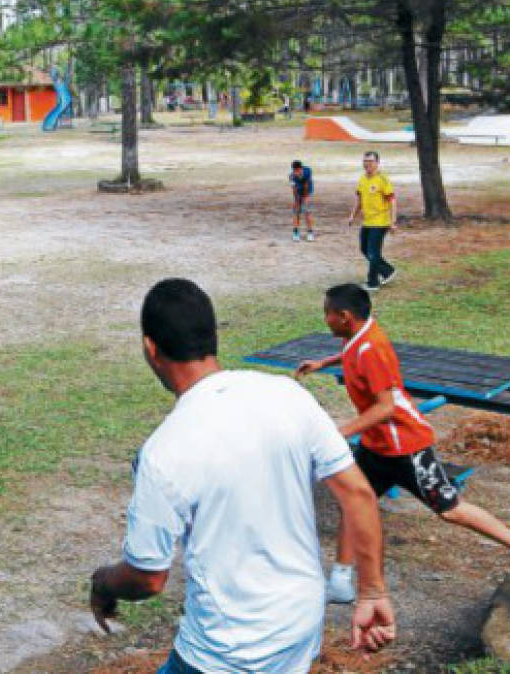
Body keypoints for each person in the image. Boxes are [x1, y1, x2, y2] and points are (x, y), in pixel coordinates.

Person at [89, 278, 396, 673]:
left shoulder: (164, 451)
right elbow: (358, 494)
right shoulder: (288, 396)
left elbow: (148, 579)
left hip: (228, 649)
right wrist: (370, 592)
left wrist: (103, 583)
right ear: (211, 337)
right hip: (300, 623)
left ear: (151, 348)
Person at [295, 284, 510, 606]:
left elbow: (385, 407)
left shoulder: (371, 348)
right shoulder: (359, 336)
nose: (326, 319)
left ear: (344, 317)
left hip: (406, 448)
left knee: (451, 510)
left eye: (328, 314)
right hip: (378, 447)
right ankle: (340, 583)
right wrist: (325, 362)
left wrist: (340, 432)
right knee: (353, 502)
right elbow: (353, 354)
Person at [348, 151, 397, 292]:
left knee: (373, 252)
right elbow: (359, 201)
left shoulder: (382, 180)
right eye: (365, 161)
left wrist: (393, 222)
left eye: (370, 161)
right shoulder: (362, 179)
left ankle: (373, 282)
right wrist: (353, 215)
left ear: (377, 163)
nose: (367, 164)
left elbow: (392, 201)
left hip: (380, 222)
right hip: (367, 222)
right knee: (364, 249)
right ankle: (387, 270)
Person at [290, 159, 315, 242]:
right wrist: (297, 201)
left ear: (301, 168)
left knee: (307, 211)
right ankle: (296, 232)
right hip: (298, 193)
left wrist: (305, 198)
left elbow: (306, 186)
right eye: (295, 170)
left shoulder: (307, 171)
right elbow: (294, 189)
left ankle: (310, 233)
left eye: (298, 170)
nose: (296, 172)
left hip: (307, 192)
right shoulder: (291, 176)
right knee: (296, 212)